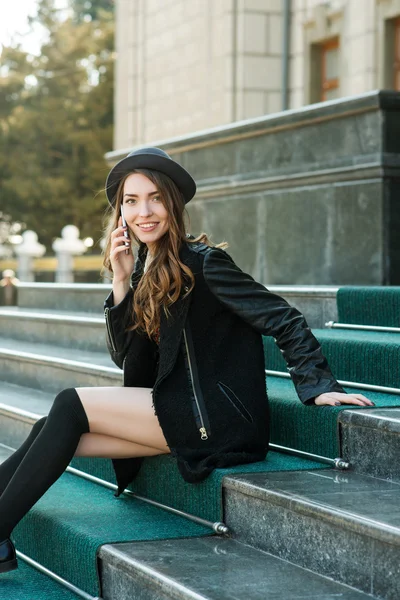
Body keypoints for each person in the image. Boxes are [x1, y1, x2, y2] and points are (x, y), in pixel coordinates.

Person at [0, 147, 374, 574]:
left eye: (155, 198)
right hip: (181, 411)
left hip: (217, 421)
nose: (144, 211)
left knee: (69, 404)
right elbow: (126, 356)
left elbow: (284, 318)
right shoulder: (145, 270)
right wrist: (121, 280)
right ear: (120, 213)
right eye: (131, 201)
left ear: (173, 204)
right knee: (51, 428)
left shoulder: (206, 264)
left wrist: (319, 386)